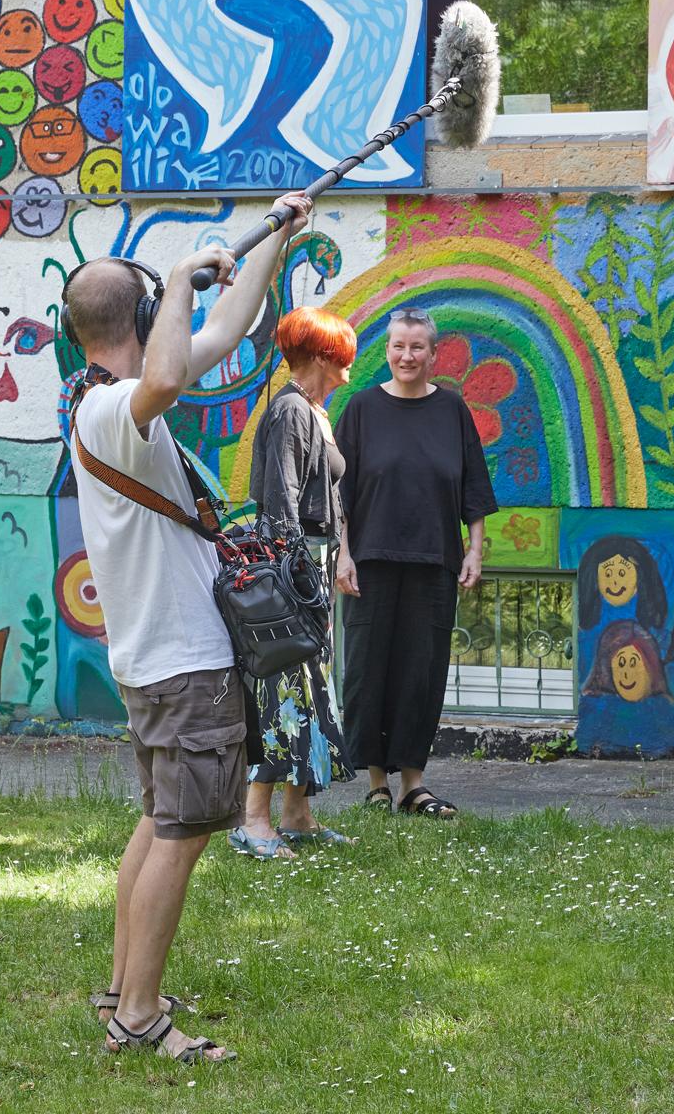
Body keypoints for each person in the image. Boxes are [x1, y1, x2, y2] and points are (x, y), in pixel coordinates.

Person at [67, 191, 311, 1064]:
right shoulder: (116, 407)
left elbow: (212, 344)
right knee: (182, 833)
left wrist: (277, 242)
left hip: (159, 661)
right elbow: (171, 372)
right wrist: (178, 278)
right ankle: (139, 1017)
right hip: (182, 664)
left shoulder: (108, 399)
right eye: (158, 304)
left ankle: (123, 991)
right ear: (138, 313)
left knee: (160, 823)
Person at [336, 309, 497, 818]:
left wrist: (475, 548)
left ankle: (413, 785)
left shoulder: (452, 410)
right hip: (371, 562)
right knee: (369, 669)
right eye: (398, 346)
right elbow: (339, 493)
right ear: (387, 351)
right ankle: (377, 784)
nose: (407, 356)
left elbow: (473, 484)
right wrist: (342, 554)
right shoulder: (361, 409)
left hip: (435, 560)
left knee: (420, 672)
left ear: (434, 354)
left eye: (418, 347)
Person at [234, 306, 359, 859]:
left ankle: (297, 814)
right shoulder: (291, 413)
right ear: (320, 356)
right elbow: (281, 503)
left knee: (309, 689)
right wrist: (297, 579)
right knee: (287, 690)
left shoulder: (312, 410)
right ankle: (252, 819)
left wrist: (340, 558)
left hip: (313, 564)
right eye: (342, 353)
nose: (349, 364)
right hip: (295, 569)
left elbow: (325, 499)